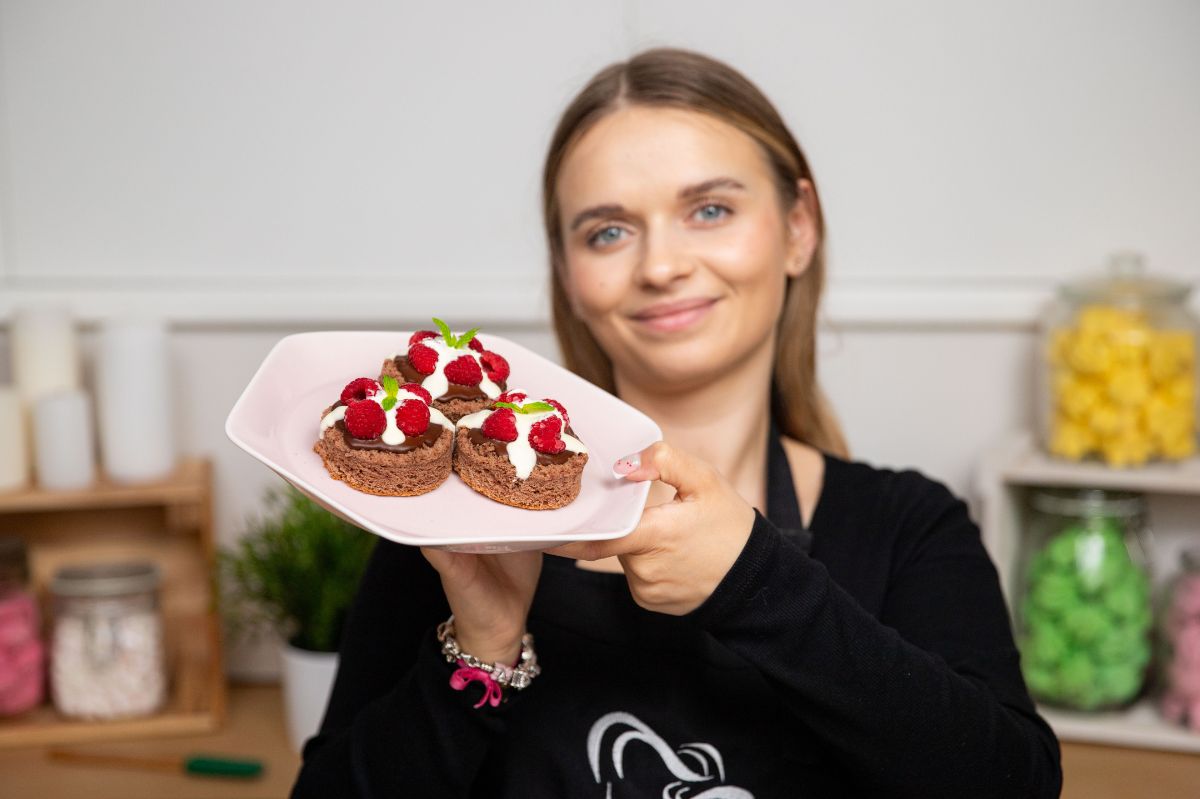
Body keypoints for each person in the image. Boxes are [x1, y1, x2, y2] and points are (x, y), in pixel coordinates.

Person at [292, 47, 1062, 797]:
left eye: (710, 209)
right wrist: (481, 648)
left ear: (798, 228)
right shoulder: (455, 524)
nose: (661, 265)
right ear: (567, 272)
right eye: (607, 231)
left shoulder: (909, 527)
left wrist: (756, 583)